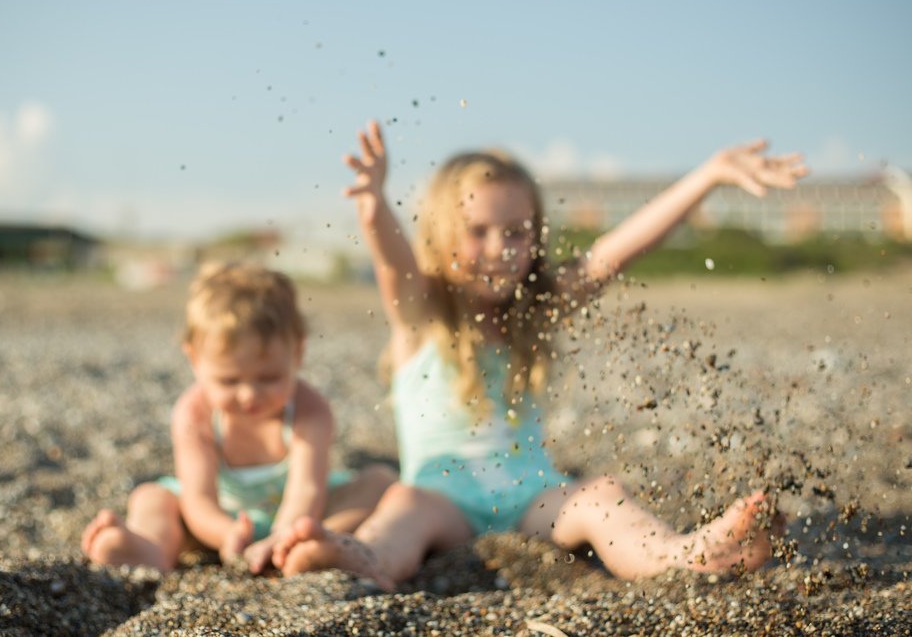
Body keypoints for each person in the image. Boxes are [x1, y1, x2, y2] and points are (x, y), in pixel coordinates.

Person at [273, 120, 806, 590]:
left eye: (516, 232)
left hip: (533, 497)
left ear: (536, 235)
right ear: (440, 234)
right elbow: (394, 265)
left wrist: (708, 174)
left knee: (601, 497)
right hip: (442, 500)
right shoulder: (424, 314)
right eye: (477, 232)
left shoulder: (535, 310)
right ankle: (362, 556)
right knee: (401, 509)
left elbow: (613, 253)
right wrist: (373, 208)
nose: (501, 247)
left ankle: (683, 554)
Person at [81, 262, 395, 573]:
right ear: (194, 359)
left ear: (297, 354)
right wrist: (225, 532)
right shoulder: (195, 413)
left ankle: (316, 544)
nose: (249, 395)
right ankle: (149, 550)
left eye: (269, 377)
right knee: (150, 497)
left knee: (379, 482)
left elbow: (307, 490)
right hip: (217, 520)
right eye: (229, 381)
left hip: (300, 516)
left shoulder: (309, 409)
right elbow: (198, 499)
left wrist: (281, 535)